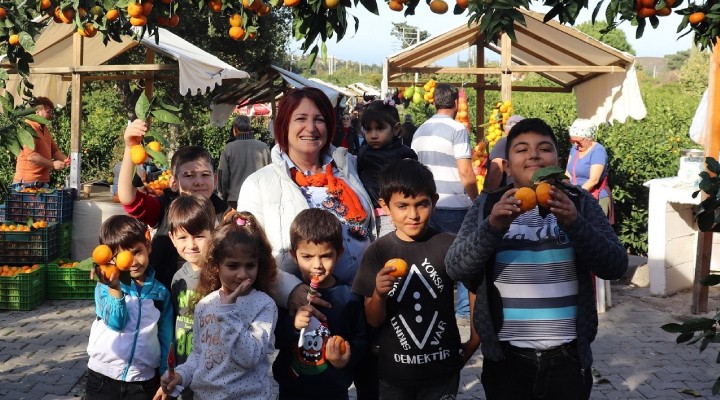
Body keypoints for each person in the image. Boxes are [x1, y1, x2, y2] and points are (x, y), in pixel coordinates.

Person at [445, 118, 628, 400]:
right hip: (506, 360)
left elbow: (615, 264)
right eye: (521, 149)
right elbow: (455, 267)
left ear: (558, 160)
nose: (533, 155)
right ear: (505, 165)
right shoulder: (488, 205)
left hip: (568, 358)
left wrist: (575, 224)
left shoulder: (578, 202)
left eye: (544, 148)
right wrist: (492, 227)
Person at [238, 87, 376, 399]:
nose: (311, 128)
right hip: (304, 307)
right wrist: (291, 290)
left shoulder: (349, 168)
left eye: (319, 119)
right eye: (300, 118)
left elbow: (372, 226)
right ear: (283, 125)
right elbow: (250, 254)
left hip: (355, 303)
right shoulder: (259, 183)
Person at [352, 158, 480, 399]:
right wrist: (379, 294)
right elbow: (373, 319)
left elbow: (474, 287)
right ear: (385, 206)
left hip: (442, 372)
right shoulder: (378, 252)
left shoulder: (449, 245)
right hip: (394, 375)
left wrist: (474, 339)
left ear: (434, 202)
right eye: (402, 206)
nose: (413, 215)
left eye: (422, 204)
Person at [157, 211, 278, 400]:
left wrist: (228, 312)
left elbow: (250, 357)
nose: (242, 274)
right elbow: (198, 355)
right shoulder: (205, 303)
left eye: (250, 266)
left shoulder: (263, 305)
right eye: (233, 266)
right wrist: (180, 376)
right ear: (215, 265)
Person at [118, 118, 232, 290]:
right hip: (164, 301)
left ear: (215, 179)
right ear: (173, 182)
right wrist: (129, 148)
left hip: (210, 303)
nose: (198, 182)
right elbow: (128, 198)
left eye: (205, 175)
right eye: (189, 175)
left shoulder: (226, 215)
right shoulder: (165, 208)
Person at [273, 208, 367, 400]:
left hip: (334, 391)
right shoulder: (286, 295)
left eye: (325, 256)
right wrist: (293, 324)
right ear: (293, 254)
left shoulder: (348, 296)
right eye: (307, 257)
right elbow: (274, 339)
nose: (317, 265)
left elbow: (361, 338)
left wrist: (345, 359)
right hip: (292, 390)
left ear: (338, 254)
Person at [86, 215, 174, 400]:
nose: (133, 261)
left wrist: (166, 373)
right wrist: (115, 288)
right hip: (103, 377)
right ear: (109, 258)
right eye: (122, 255)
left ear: (148, 246)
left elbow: (166, 336)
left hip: (142, 381)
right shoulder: (105, 286)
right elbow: (116, 322)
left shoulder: (160, 292)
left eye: (137, 251)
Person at [410, 82, 478, 320]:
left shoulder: (420, 130)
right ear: (456, 104)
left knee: (432, 259)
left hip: (426, 204)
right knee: (462, 257)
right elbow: (466, 172)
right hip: (454, 206)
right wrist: (477, 201)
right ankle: (462, 311)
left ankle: (434, 306)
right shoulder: (457, 129)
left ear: (434, 102)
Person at [167, 194, 216, 400]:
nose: (191, 245)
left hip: (212, 369)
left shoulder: (219, 277)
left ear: (213, 233)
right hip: (183, 366)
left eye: (199, 235)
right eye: (183, 237)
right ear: (171, 238)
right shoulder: (178, 278)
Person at [357, 99, 417, 237]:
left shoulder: (405, 154)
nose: (373, 135)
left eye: (379, 128)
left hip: (394, 216)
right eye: (368, 129)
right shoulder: (363, 153)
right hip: (368, 214)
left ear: (395, 129)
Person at [218, 115, 271, 209]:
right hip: (260, 198)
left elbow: (223, 176)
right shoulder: (263, 147)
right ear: (250, 129)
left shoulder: (229, 148)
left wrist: (222, 195)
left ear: (235, 129)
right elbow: (271, 173)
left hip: (236, 199)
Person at [13, 97, 68, 184]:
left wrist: (66, 160)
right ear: (37, 112)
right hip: (26, 182)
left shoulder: (44, 128)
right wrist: (53, 164)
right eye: (48, 111)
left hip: (41, 181)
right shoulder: (27, 127)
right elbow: (31, 156)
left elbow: (55, 151)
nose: (51, 114)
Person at [565, 118, 612, 217]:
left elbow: (593, 180)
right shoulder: (575, 148)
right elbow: (568, 173)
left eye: (578, 141)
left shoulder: (598, 151)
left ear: (589, 138)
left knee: (596, 230)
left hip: (593, 197)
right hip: (576, 197)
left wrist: (575, 195)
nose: (575, 144)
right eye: (572, 141)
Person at [484, 114, 525, 190]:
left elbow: (496, 169)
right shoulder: (530, 145)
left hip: (506, 193)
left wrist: (489, 194)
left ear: (506, 131)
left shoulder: (505, 142)